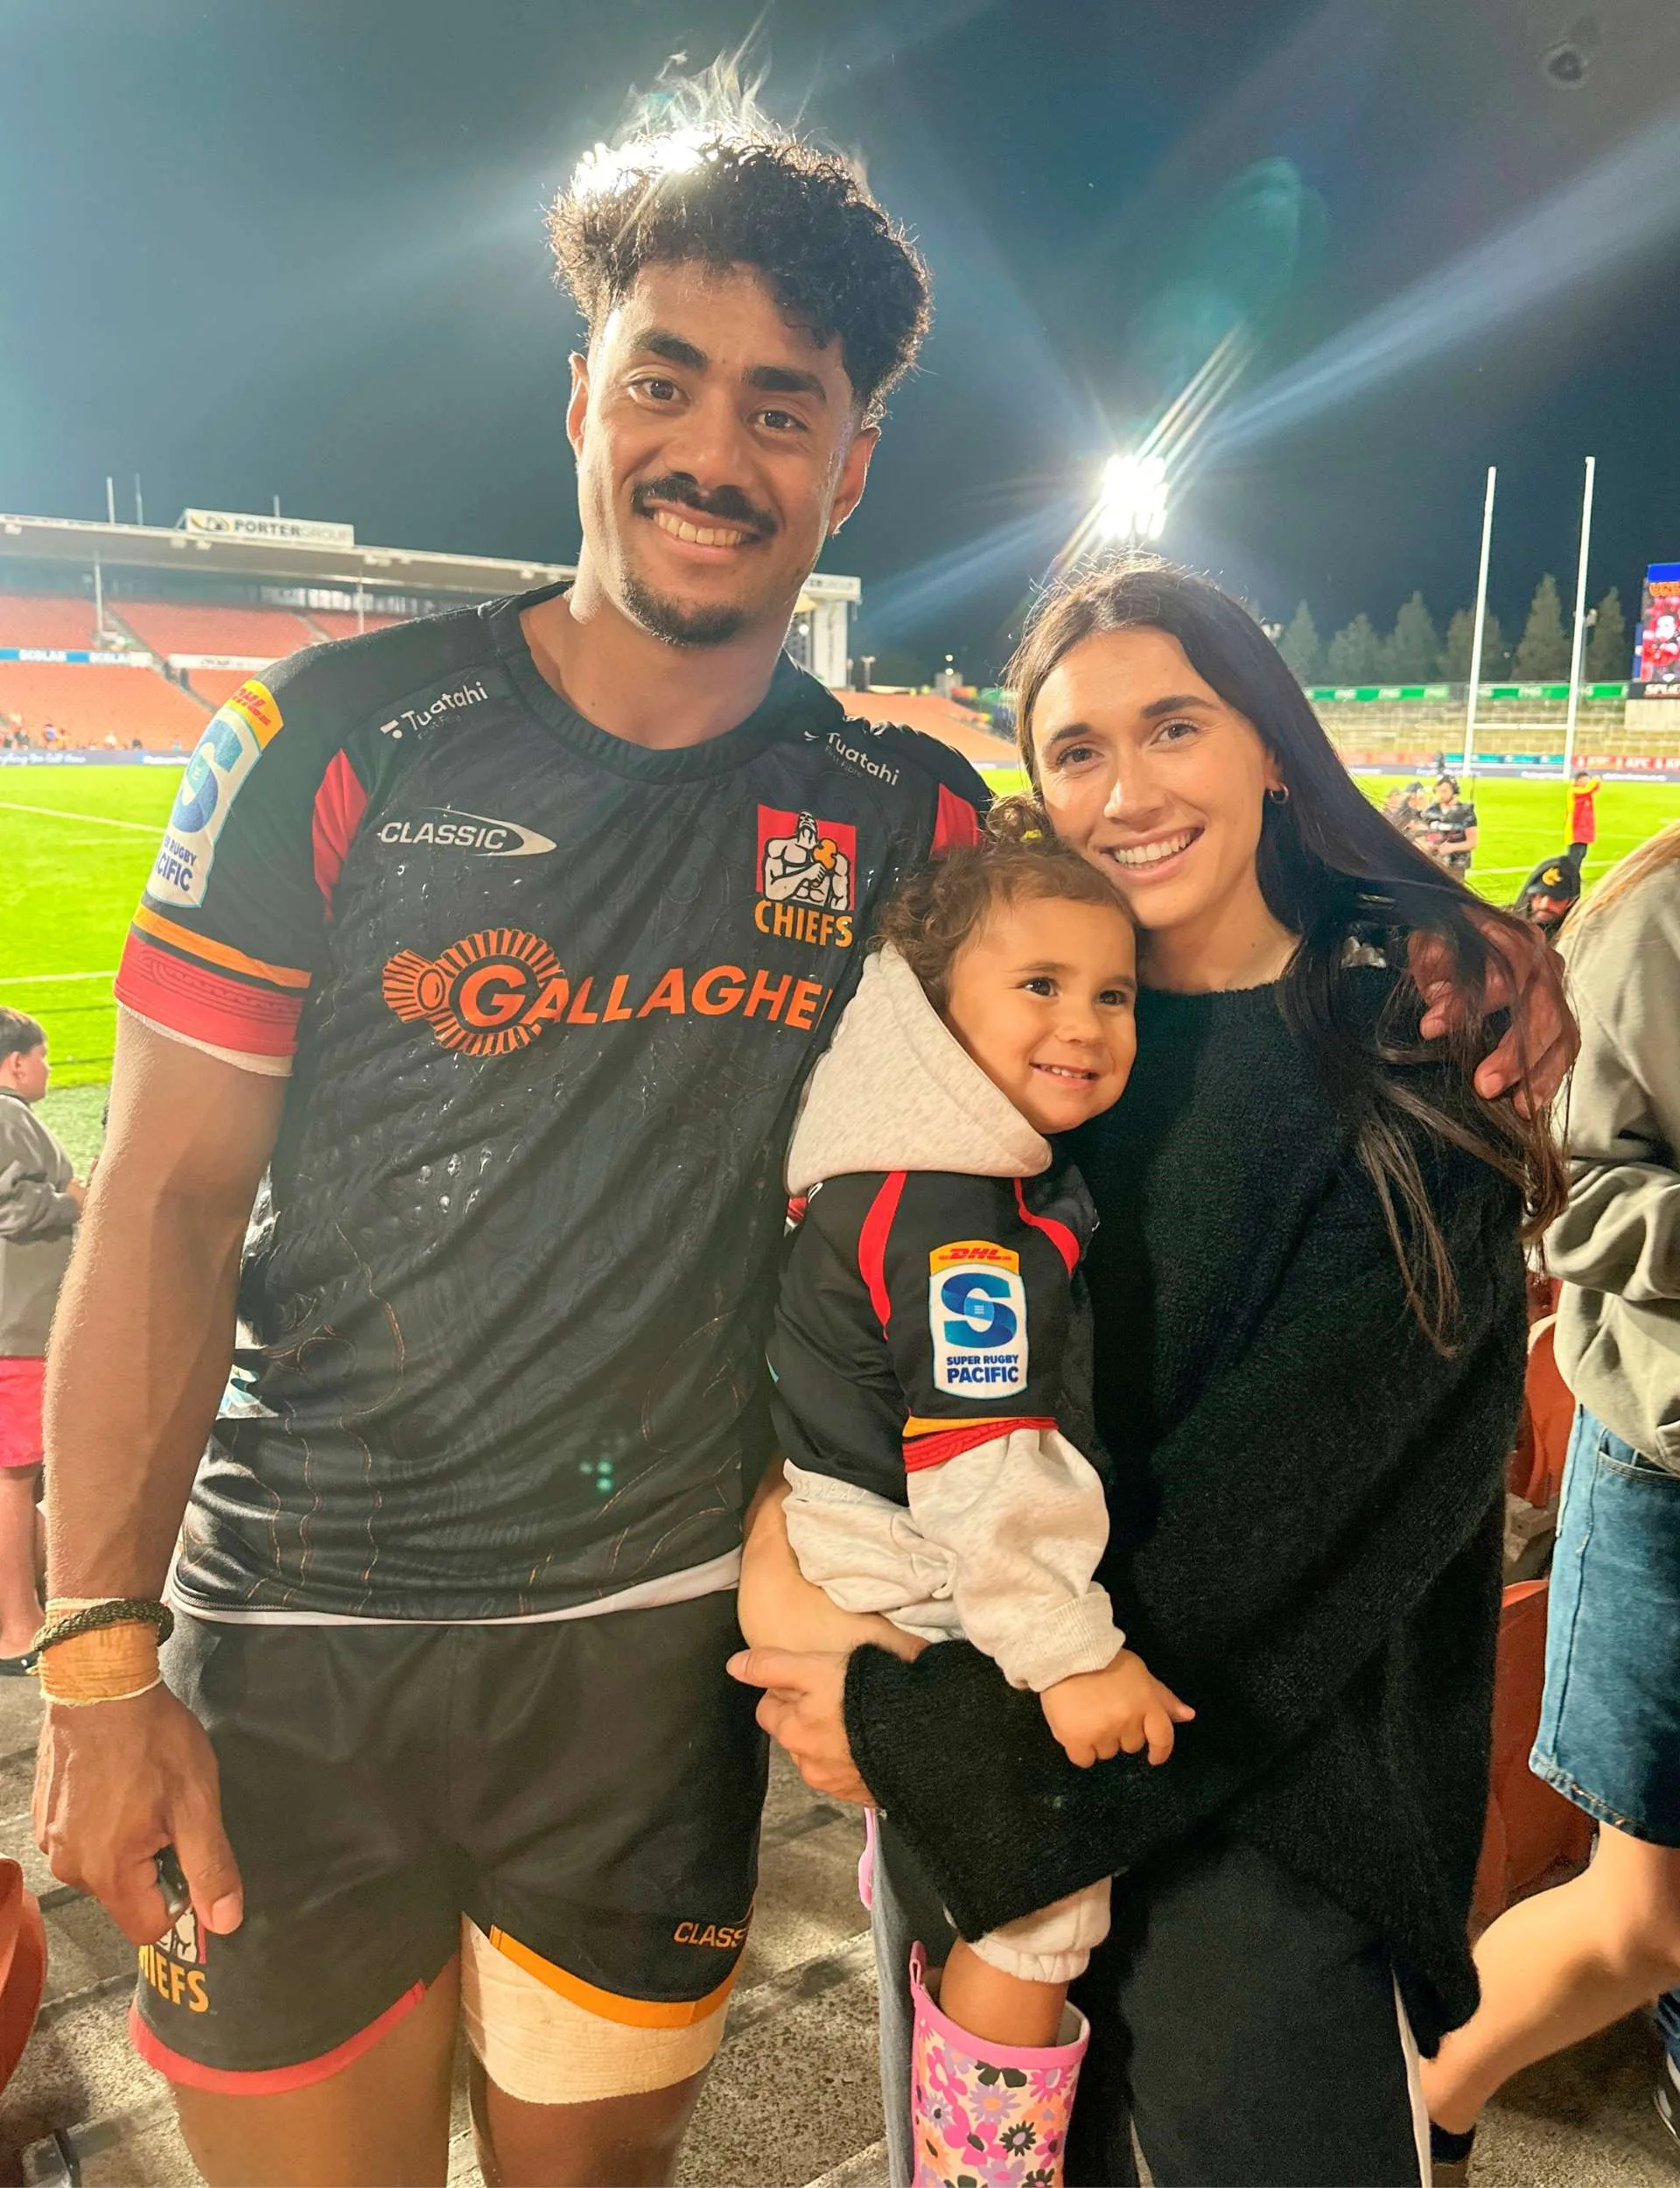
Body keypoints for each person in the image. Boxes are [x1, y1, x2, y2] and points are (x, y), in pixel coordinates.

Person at [32, 124, 989, 2188]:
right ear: (579, 399)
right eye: (663, 375)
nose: (713, 449)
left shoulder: (905, 814)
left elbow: (1107, 1075)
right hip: (291, 1654)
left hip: (642, 1672)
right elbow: (170, 1201)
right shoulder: (326, 737)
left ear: (850, 465)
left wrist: (1427, 944)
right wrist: (96, 1659)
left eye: (780, 406)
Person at [732, 558, 1572, 2188]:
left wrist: (927, 1728)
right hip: (994, 1807)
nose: (1126, 790)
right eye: (1074, 751)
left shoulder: (1416, 1052)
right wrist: (791, 1527)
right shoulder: (988, 1059)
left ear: (1269, 742)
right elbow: (854, 1349)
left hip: (1259, 1820)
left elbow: (1299, 1530)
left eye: (1173, 725)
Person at [753, 812, 1191, 2164]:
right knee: (1043, 1901)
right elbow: (983, 1462)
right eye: (1040, 986)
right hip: (917, 1539)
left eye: (1113, 992)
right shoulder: (949, 1211)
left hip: (868, 1517)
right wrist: (1071, 1656)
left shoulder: (909, 1155)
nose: (1087, 1025)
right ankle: (980, 2166)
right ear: (939, 1005)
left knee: (970, 1861)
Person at [1418, 819, 1680, 2181]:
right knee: (1644, 1919)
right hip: (1666, 1465)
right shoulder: (1654, 923)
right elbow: (1572, 1187)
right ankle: (1428, 2103)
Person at [0, 1011, 81, 1669]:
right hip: (17, 1328)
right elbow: (17, 1208)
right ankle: (17, 1628)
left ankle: (37, 1595)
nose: (49, 1069)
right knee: (15, 1476)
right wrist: (79, 1199)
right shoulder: (8, 1114)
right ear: (17, 1063)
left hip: (13, 1326)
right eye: (44, 1056)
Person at [1421, 771, 1478, 877]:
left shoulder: (1465, 813)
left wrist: (1452, 847)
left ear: (1454, 791)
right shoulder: (1431, 811)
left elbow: (1473, 842)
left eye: (1444, 791)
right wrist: (1428, 844)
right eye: (1438, 791)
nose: (1441, 795)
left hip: (1456, 865)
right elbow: (1424, 835)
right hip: (1433, 862)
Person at [1512, 852, 1581, 937]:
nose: (1545, 905)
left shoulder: (1578, 941)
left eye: (1556, 898)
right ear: (1530, 897)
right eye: (1539, 895)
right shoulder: (1504, 927)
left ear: (1571, 902)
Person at [1565, 761, 1601, 874]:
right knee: (1574, 856)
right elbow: (1588, 790)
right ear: (1578, 781)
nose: (1587, 782)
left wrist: (1596, 783)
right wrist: (1595, 781)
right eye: (1585, 780)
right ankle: (1570, 878)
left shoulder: (1584, 793)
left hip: (1584, 830)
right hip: (1575, 829)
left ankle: (1576, 877)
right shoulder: (1574, 791)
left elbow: (1593, 790)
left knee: (1582, 855)